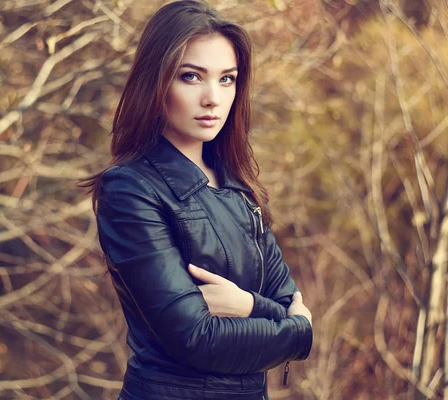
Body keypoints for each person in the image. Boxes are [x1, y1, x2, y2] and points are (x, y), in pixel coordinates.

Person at [81, 1, 313, 399]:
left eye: (227, 79)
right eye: (191, 77)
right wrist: (293, 330)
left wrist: (246, 305)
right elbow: (196, 337)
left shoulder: (238, 187)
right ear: (156, 82)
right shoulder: (131, 190)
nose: (213, 98)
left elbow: (289, 300)